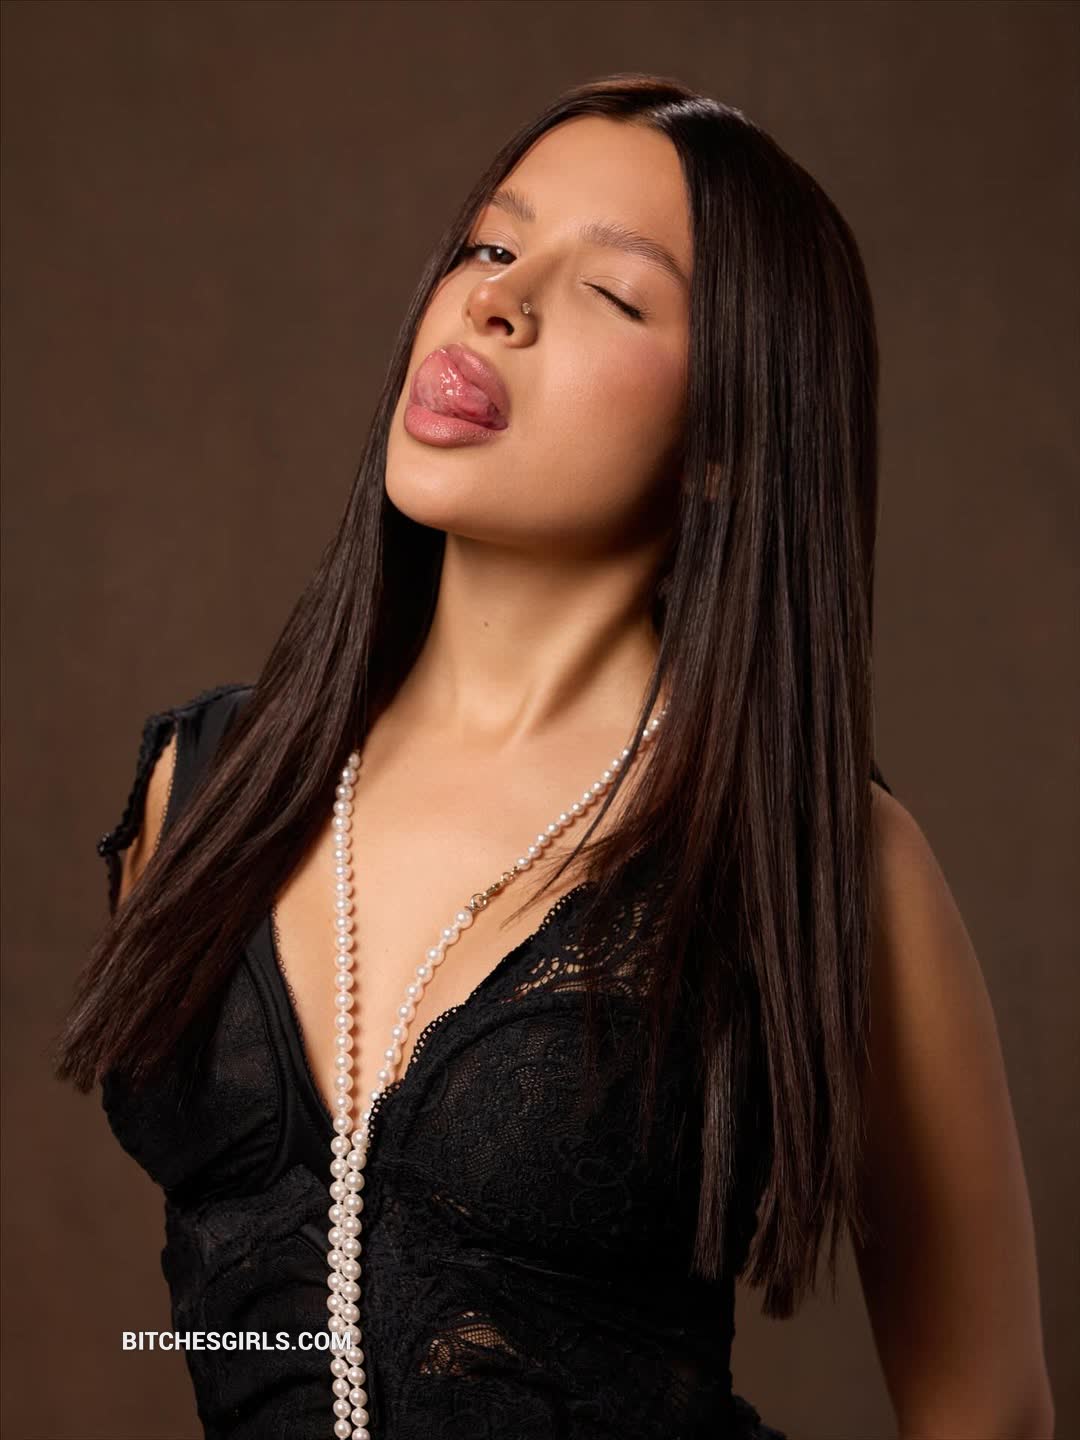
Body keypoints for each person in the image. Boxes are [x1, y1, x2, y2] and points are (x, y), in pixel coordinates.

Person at [54, 74, 1053, 1440]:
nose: (498, 302)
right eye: (489, 244)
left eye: (614, 294)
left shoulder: (824, 857)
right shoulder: (210, 787)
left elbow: (987, 1414)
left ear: (726, 443)